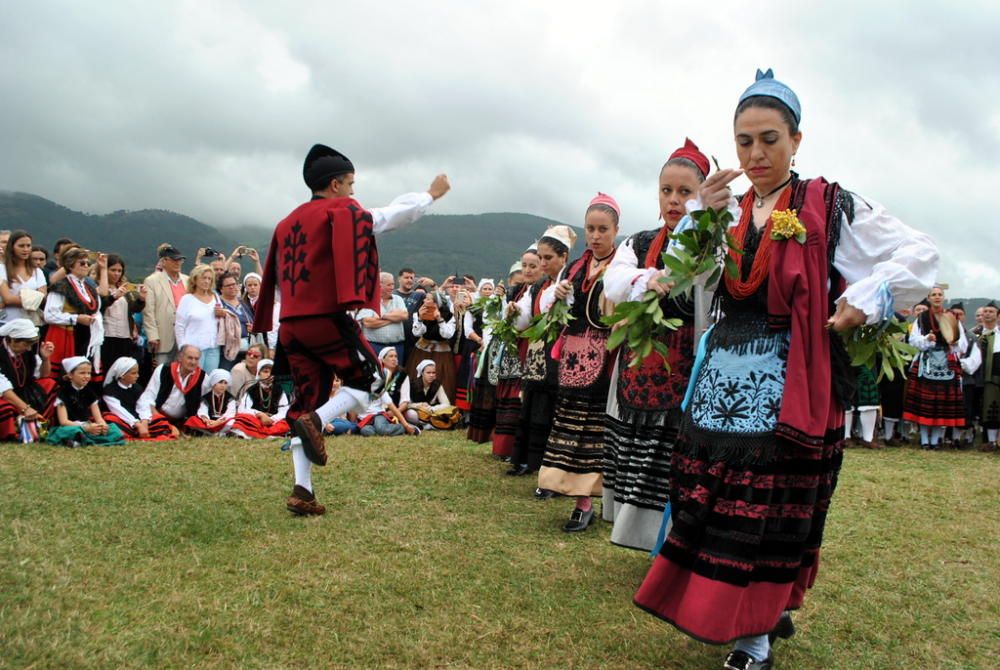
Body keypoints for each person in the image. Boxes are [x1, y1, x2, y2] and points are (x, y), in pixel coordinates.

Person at [633, 69, 938, 670]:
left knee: (770, 508)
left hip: (789, 379)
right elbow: (680, 276)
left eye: (770, 139)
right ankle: (751, 612)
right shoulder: (727, 210)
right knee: (710, 499)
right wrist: (701, 215)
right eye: (744, 141)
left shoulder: (830, 204)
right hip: (720, 378)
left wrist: (867, 296)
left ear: (797, 140)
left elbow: (919, 253)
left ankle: (754, 636)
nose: (756, 154)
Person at [252, 143, 449, 516]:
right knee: (371, 380)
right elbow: (388, 217)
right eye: (351, 184)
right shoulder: (340, 211)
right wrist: (429, 195)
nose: (354, 192)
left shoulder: (285, 222)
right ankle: (318, 422)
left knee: (305, 401)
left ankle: (302, 490)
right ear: (334, 185)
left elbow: (276, 283)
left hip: (290, 324)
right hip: (324, 317)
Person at [601, 139, 708, 551]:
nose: (674, 200)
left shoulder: (712, 244)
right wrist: (647, 279)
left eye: (685, 192)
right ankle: (641, 536)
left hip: (688, 363)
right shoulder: (641, 242)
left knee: (676, 453)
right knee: (639, 450)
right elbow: (614, 280)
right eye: (667, 191)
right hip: (642, 362)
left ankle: (677, 540)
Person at [537, 193, 620, 532]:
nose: (596, 236)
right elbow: (548, 307)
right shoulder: (574, 267)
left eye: (603, 229)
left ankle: (590, 501)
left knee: (595, 431)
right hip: (573, 359)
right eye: (591, 228)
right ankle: (574, 496)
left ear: (616, 230)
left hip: (605, 359)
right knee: (570, 426)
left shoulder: (623, 265)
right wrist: (555, 296)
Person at [508, 227, 574, 479]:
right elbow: (525, 320)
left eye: (548, 258)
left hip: (561, 354)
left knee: (552, 410)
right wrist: (514, 311)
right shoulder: (537, 287)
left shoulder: (570, 282)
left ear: (563, 257)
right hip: (538, 356)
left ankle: (551, 466)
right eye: (541, 257)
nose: (543, 263)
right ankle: (528, 460)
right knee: (534, 406)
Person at [902, 286, 967, 449]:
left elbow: (963, 344)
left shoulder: (952, 317)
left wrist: (955, 343)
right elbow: (913, 341)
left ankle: (936, 440)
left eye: (940, 294)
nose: (937, 297)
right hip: (927, 363)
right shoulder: (922, 318)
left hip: (947, 363)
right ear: (929, 298)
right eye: (934, 295)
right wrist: (927, 338)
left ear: (943, 297)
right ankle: (924, 440)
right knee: (925, 404)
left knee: (941, 405)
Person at [492, 251, 540, 459]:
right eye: (524, 265)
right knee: (509, 393)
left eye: (533, 266)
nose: (527, 270)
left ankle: (518, 449)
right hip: (513, 347)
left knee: (522, 396)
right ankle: (504, 447)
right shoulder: (517, 290)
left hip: (530, 345)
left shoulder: (541, 291)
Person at [43, 247, 103, 379]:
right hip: (66, 334)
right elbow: (49, 315)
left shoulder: (89, 288)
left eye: (88, 263)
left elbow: (97, 308)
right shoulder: (61, 286)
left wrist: (95, 318)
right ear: (70, 265)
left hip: (86, 335)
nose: (86, 266)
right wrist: (76, 318)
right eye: (82, 263)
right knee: (64, 375)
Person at [45, 356, 125, 446]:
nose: (86, 376)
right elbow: (63, 421)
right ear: (70, 375)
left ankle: (80, 440)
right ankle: (78, 439)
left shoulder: (89, 392)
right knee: (67, 431)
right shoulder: (63, 392)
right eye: (82, 373)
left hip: (88, 426)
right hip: (72, 426)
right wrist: (85, 427)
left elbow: (98, 418)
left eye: (88, 373)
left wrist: (102, 426)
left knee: (113, 429)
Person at [0, 319, 57, 439]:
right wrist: (25, 408)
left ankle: (40, 425)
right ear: (13, 340)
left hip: (22, 391)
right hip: (4, 395)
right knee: (6, 409)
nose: (29, 349)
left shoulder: (28, 352)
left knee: (50, 384)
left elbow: (43, 375)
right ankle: (15, 433)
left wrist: (46, 359)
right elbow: (3, 388)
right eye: (26, 344)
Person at [101, 356, 178, 439]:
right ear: (122, 375)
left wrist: (144, 421)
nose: (137, 376)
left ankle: (144, 431)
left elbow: (143, 405)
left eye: (137, 373)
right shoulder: (110, 391)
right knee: (111, 419)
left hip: (137, 417)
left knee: (158, 419)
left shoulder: (137, 388)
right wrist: (137, 424)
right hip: (122, 418)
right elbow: (118, 410)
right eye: (133, 373)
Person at [405, 291, 458, 403]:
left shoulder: (448, 315)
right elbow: (417, 332)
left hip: (441, 351)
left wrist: (439, 319)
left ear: (436, 303)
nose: (424, 301)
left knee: (441, 376)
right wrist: (419, 318)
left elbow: (448, 334)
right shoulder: (420, 312)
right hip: (423, 349)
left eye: (428, 299)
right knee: (418, 374)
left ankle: (440, 404)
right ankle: (416, 401)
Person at [98, 253, 146, 376]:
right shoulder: (99, 287)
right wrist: (114, 296)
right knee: (107, 369)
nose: (116, 273)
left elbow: (134, 308)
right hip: (106, 335)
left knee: (122, 371)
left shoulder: (125, 288)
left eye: (119, 270)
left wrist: (141, 299)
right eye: (113, 270)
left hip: (125, 336)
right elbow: (99, 306)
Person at [137, 344, 206, 426]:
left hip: (182, 422)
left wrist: (203, 417)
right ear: (180, 357)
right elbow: (148, 397)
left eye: (196, 359)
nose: (193, 362)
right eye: (190, 358)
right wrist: (159, 419)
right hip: (157, 416)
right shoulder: (164, 370)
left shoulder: (202, 377)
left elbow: (204, 402)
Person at [143, 245, 189, 366]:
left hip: (183, 337)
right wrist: (152, 335)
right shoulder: (151, 281)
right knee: (160, 373)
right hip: (162, 336)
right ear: (164, 261)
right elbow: (148, 311)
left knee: (179, 373)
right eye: (174, 259)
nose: (178, 262)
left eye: (180, 260)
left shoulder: (187, 280)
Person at [174, 264, 224, 372]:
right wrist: (183, 348)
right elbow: (179, 326)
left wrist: (222, 314)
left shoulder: (215, 298)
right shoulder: (187, 299)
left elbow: (220, 322)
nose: (206, 281)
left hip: (213, 347)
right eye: (203, 278)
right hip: (193, 349)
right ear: (195, 279)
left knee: (209, 381)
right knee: (193, 380)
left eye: (209, 278)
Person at [232, 359, 291, 438]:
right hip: (257, 421)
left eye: (271, 372)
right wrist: (260, 414)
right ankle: (269, 434)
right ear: (259, 373)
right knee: (242, 419)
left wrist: (272, 419)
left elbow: (285, 411)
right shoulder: (252, 389)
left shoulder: (279, 390)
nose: (269, 375)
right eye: (265, 372)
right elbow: (242, 409)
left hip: (273, 422)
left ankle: (262, 433)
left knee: (287, 422)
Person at [356, 272, 409, 360]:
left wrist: (381, 316)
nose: (392, 287)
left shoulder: (398, 299)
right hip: (375, 346)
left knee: (395, 373)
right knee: (375, 372)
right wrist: (394, 318)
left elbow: (404, 315)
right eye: (389, 285)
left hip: (396, 347)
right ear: (379, 285)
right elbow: (368, 323)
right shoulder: (369, 301)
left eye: (393, 284)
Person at [0, 230, 48, 324]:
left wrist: (13, 299)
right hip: (6, 322)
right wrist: (32, 297)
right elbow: (8, 298)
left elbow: (42, 298)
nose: (25, 249)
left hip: (30, 324)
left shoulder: (37, 272)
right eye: (21, 246)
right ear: (12, 247)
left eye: (28, 246)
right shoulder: (2, 269)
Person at [401, 359, 458, 429]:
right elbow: (406, 405)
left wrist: (432, 409)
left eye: (433, 373)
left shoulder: (437, 385)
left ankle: (426, 425)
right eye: (428, 373)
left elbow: (446, 404)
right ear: (422, 373)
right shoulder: (412, 385)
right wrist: (420, 405)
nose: (431, 375)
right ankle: (429, 425)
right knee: (410, 414)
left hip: (431, 412)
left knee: (448, 411)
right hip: (416, 412)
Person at [217, 272, 255, 371]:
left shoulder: (242, 303)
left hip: (245, 350)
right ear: (221, 289)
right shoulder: (218, 304)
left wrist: (252, 328)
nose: (232, 287)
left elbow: (252, 320)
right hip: (227, 351)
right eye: (228, 285)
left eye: (234, 284)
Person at [185, 369, 237, 436]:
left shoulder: (230, 398)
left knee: (232, 422)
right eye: (220, 382)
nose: (223, 386)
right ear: (214, 383)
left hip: (223, 422)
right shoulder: (206, 397)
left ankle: (212, 433)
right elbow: (202, 410)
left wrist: (218, 422)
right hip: (209, 422)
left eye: (225, 383)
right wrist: (207, 420)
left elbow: (230, 413)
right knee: (193, 420)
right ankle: (217, 433)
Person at [979, 301, 1000, 450]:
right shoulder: (974, 333)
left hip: (996, 374)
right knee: (989, 407)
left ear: (998, 316)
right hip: (982, 377)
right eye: (985, 311)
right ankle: (991, 442)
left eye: (991, 311)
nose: (987, 314)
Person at [242, 272, 277, 356]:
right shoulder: (242, 303)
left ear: (260, 286)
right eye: (249, 285)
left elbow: (273, 324)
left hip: (265, 339)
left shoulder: (268, 302)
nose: (252, 287)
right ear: (245, 287)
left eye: (255, 285)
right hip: (248, 339)